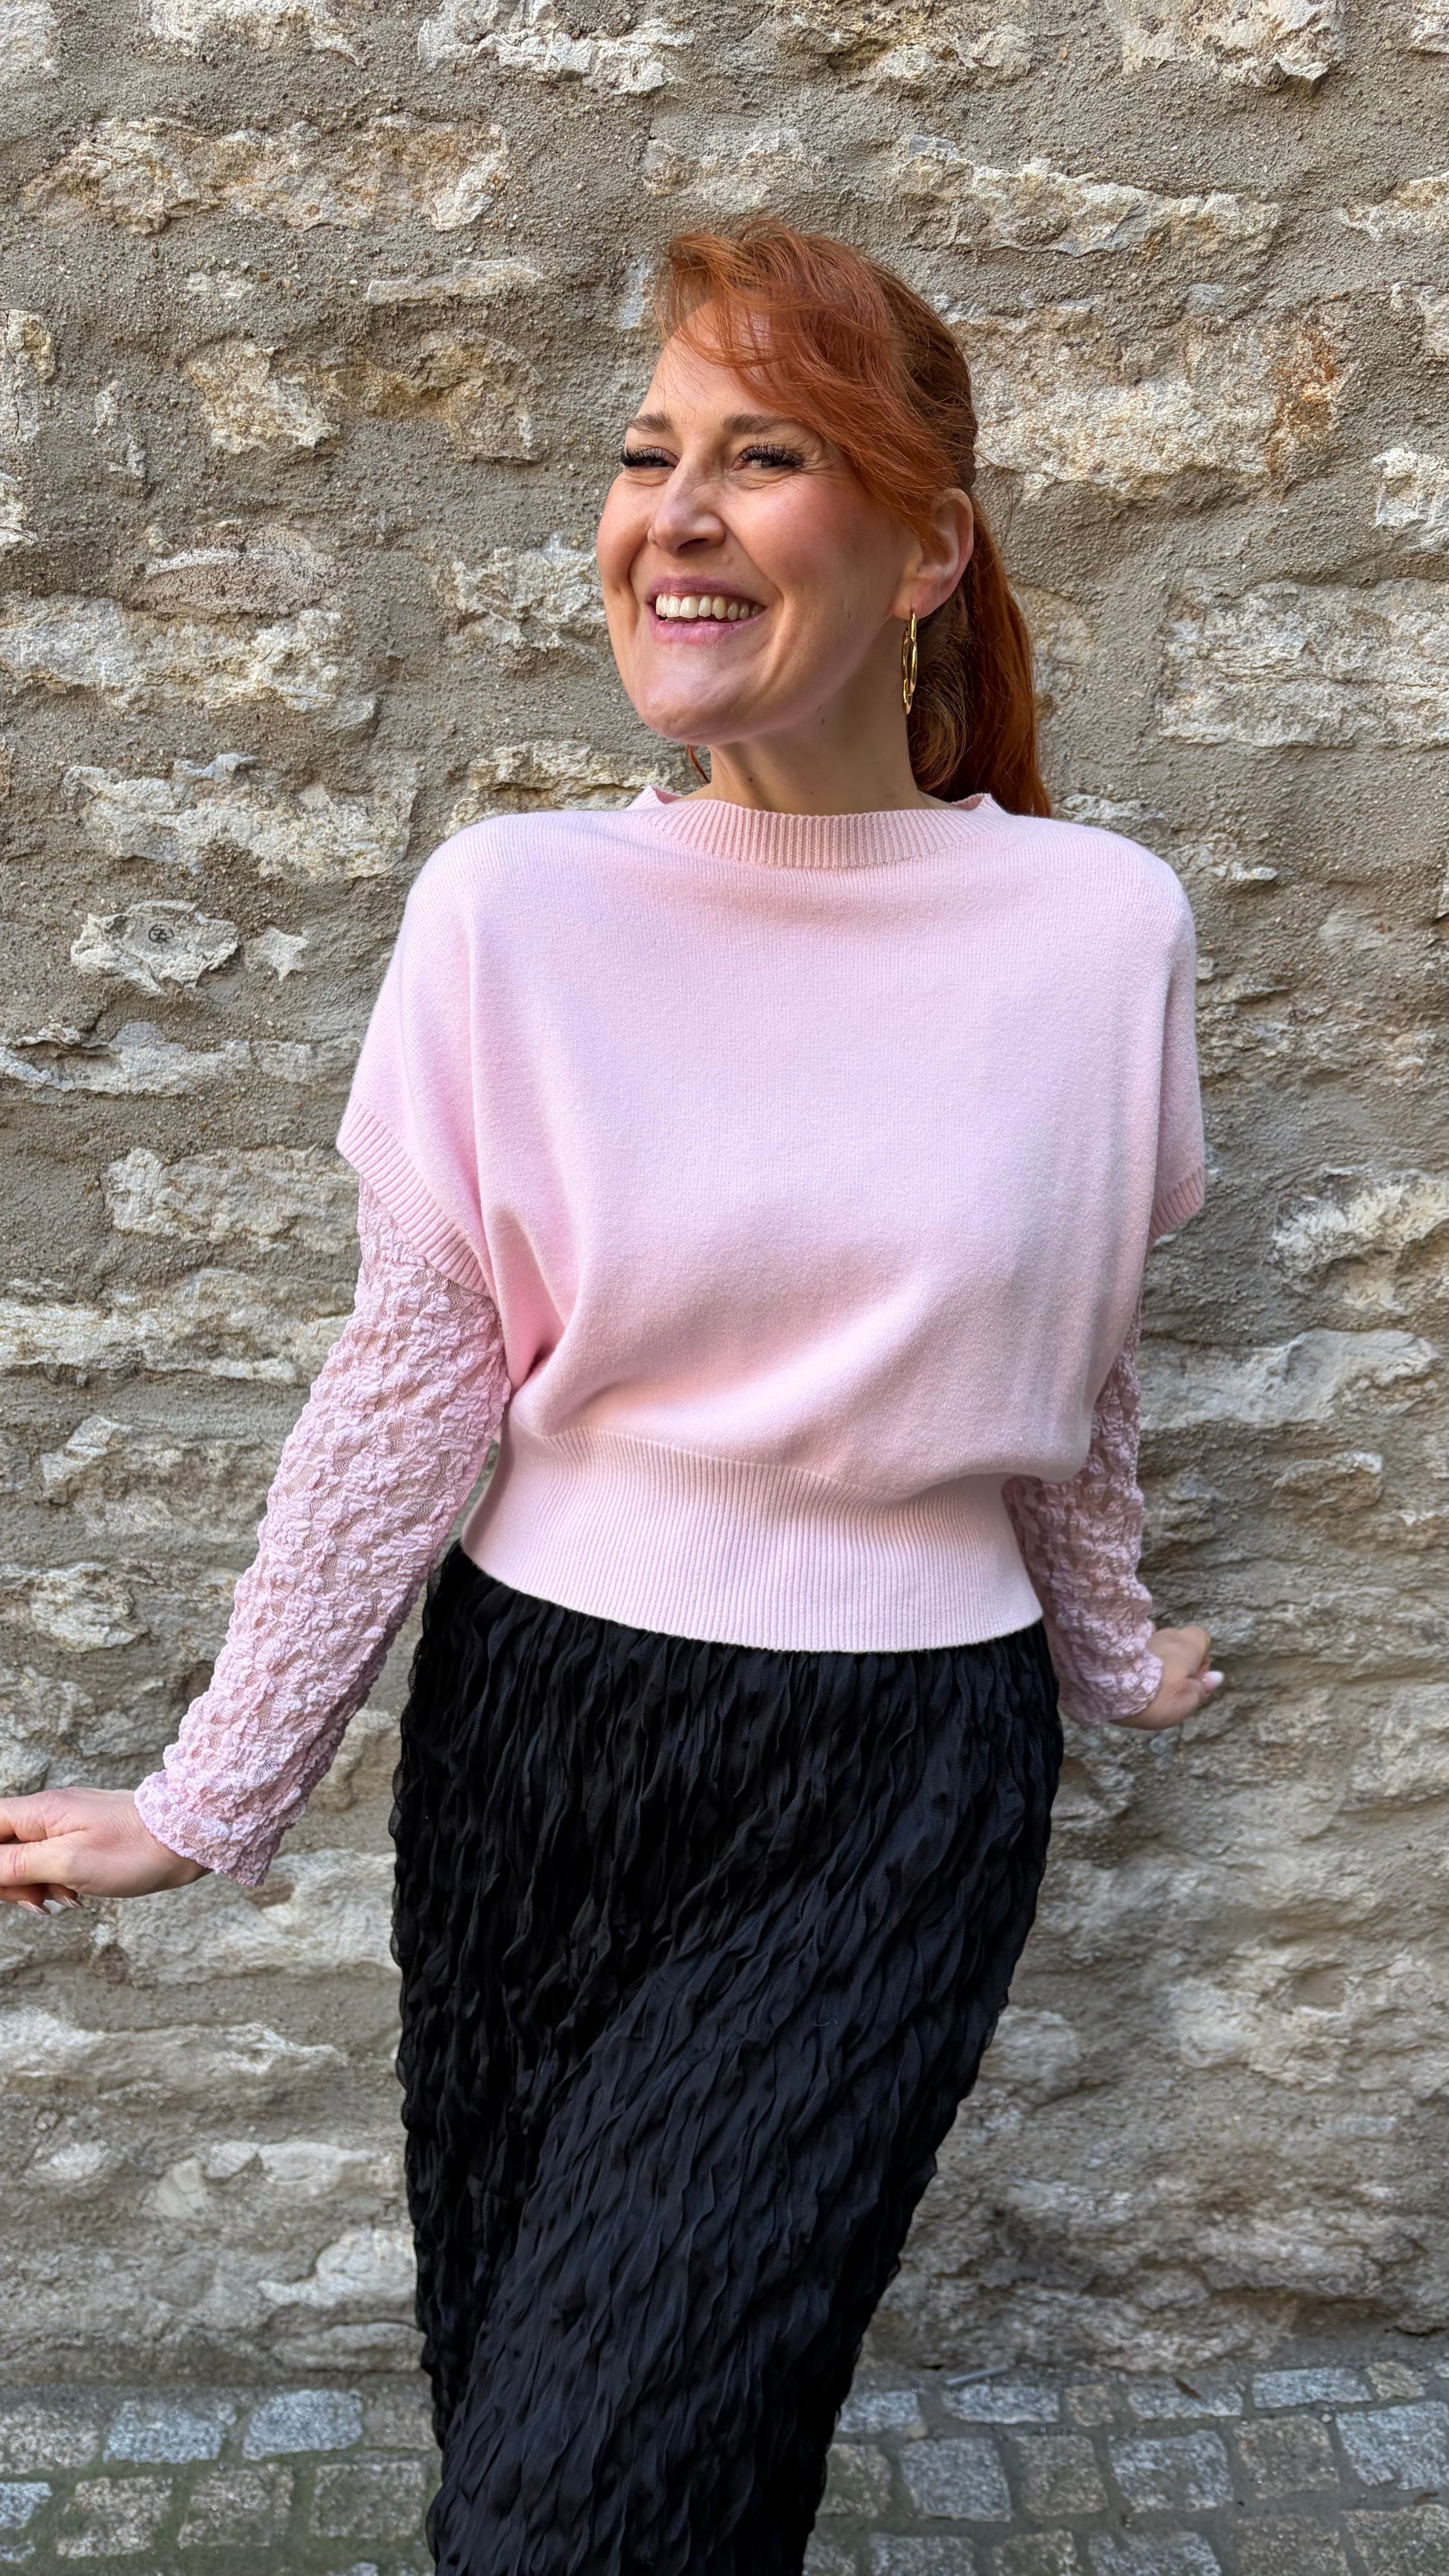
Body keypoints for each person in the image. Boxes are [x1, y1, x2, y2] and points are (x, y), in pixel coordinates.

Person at [0, 220, 1220, 2575]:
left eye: (760, 457)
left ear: (925, 550)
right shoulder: (510, 911)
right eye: (647, 454)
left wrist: (1100, 1649)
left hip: (897, 1782)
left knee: (577, 2510)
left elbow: (1074, 1367)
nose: (672, 512)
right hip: (536, 1737)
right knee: (549, 2411)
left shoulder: (1097, 927)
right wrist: (211, 1791)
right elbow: (406, 1387)